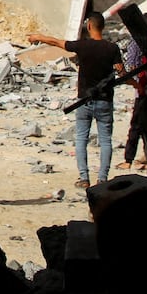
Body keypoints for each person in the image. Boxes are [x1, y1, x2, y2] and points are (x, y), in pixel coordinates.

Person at [28, 12, 124, 188]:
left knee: (81, 139)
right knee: (105, 141)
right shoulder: (112, 48)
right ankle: (102, 178)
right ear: (102, 26)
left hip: (84, 101)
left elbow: (57, 42)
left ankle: (84, 178)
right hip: (105, 101)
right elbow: (121, 70)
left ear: (89, 26)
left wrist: (39, 37)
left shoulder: (82, 46)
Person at [115, 12, 147, 171]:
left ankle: (129, 159)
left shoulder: (135, 44)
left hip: (143, 92)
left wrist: (137, 85)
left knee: (137, 126)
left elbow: (131, 68)